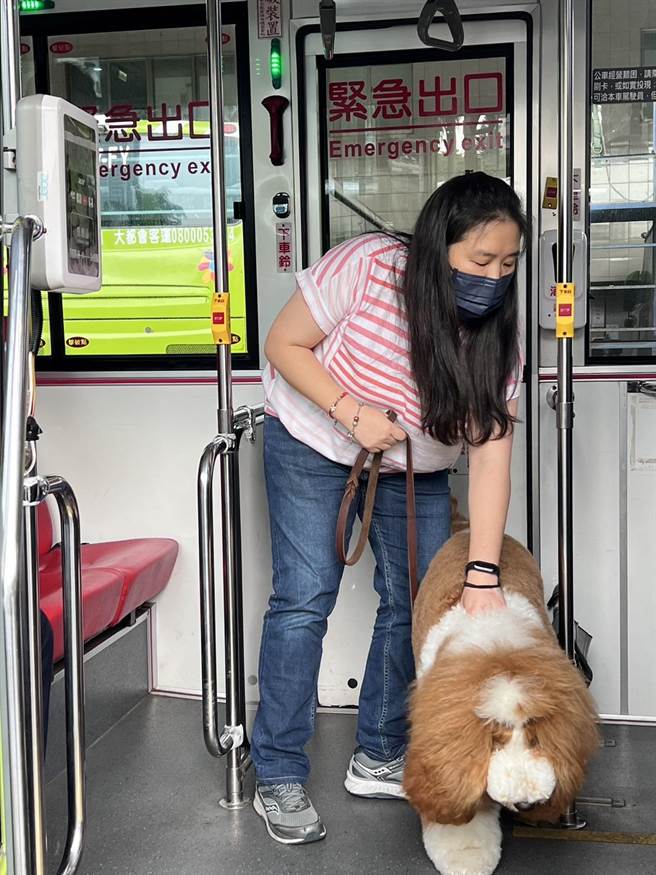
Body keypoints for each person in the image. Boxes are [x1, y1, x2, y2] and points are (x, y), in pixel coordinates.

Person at [251, 171, 527, 845]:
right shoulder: (372, 266)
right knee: (304, 596)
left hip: (418, 472)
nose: (494, 277)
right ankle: (278, 771)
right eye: (481, 260)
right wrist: (352, 413)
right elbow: (284, 344)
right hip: (313, 439)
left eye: (509, 264)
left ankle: (378, 751)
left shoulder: (497, 341)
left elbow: (490, 456)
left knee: (414, 602)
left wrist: (483, 573)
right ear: (439, 249)